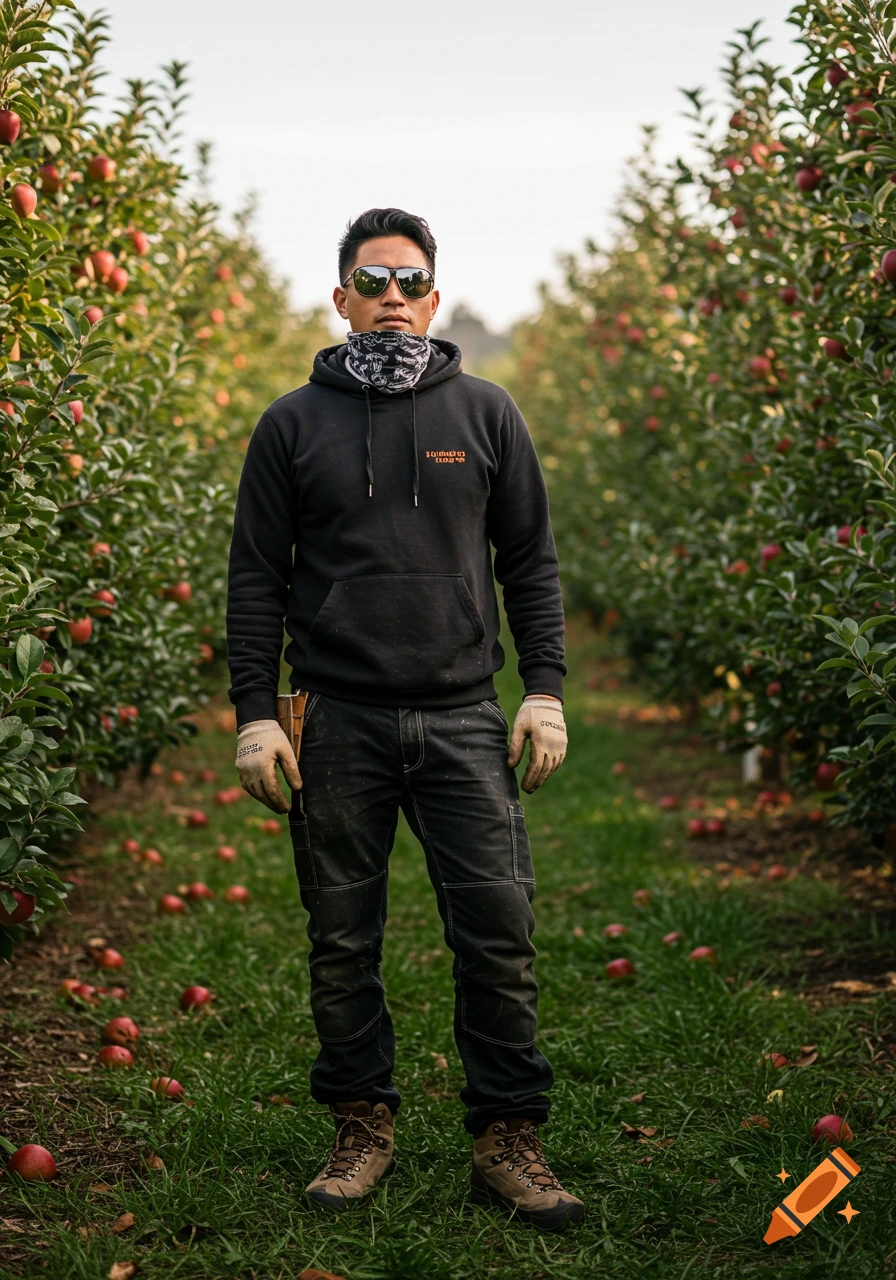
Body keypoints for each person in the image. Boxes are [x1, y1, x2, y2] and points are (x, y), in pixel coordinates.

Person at [226, 207, 582, 1232]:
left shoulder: (485, 412)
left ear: (432, 296)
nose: (390, 293)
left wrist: (544, 688)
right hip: (336, 715)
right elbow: (255, 578)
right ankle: (359, 1121)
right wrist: (258, 712)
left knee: (498, 930)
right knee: (341, 936)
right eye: (370, 278)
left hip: (464, 713)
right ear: (340, 298)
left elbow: (531, 562)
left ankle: (507, 1137)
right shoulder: (291, 423)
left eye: (408, 278)